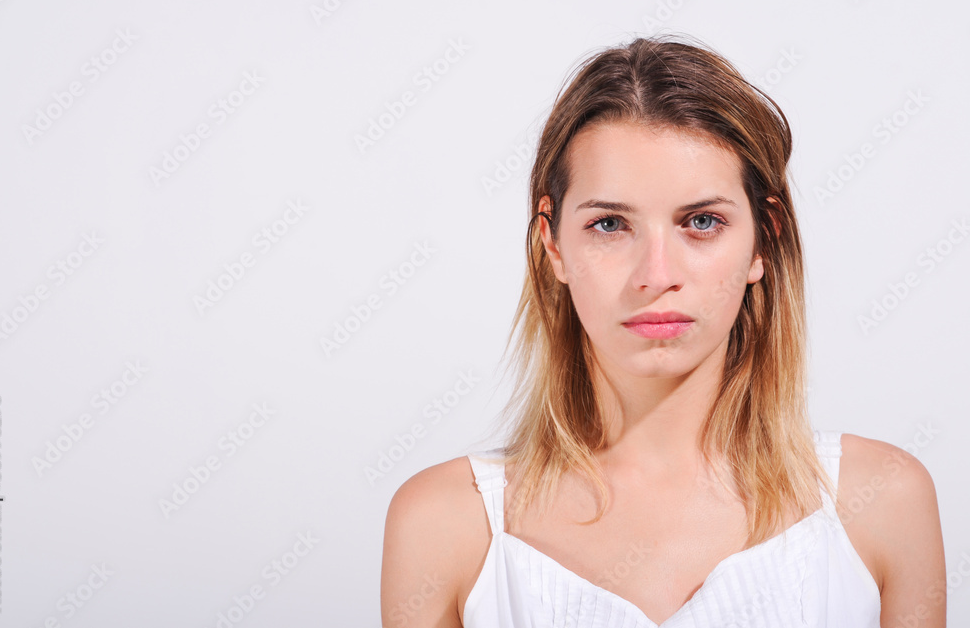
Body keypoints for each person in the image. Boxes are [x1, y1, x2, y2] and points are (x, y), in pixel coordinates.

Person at [380, 33, 946, 627]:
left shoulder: (883, 501)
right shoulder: (444, 524)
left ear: (764, 239)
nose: (656, 275)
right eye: (609, 224)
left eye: (702, 221)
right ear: (552, 245)